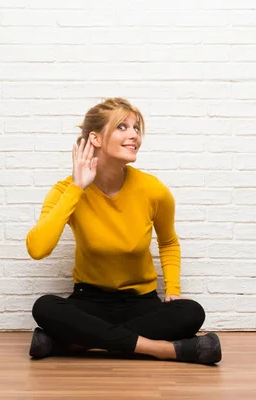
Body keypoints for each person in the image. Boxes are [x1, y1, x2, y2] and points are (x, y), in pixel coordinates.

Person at [25, 98, 222, 365]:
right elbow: (38, 249)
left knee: (191, 312)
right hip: (89, 301)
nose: (134, 135)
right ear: (95, 138)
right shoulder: (65, 191)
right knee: (44, 306)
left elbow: (168, 242)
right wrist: (77, 188)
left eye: (136, 128)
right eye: (122, 127)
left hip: (141, 303)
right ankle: (165, 350)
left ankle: (74, 342)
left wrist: (173, 288)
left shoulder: (152, 189)